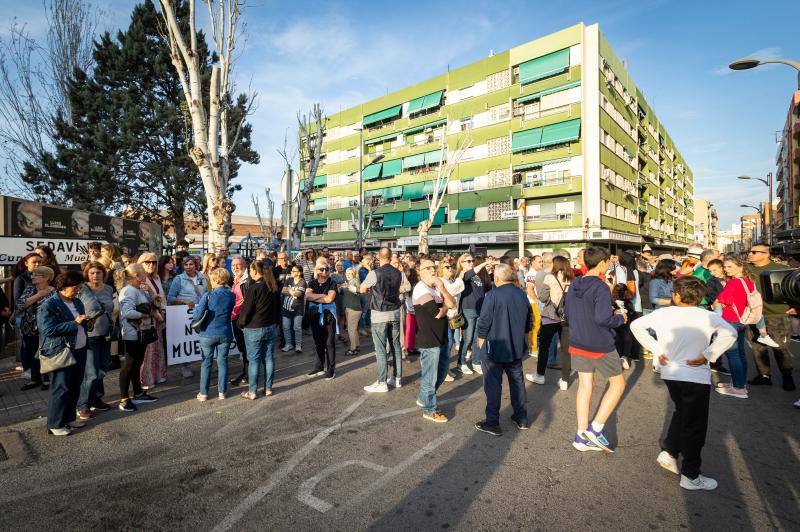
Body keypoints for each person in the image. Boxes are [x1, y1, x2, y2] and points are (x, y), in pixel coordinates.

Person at [630, 276, 737, 491]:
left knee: (682, 412)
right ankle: (691, 474)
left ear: (676, 295)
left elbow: (636, 326)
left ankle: (670, 452)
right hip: (695, 376)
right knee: (694, 426)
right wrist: (708, 354)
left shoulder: (663, 313)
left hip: (670, 373)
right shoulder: (707, 316)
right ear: (700, 297)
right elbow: (731, 333)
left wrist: (657, 350)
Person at [564, 247, 626, 453]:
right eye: (607, 261)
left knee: (585, 386)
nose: (609, 264)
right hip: (599, 343)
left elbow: (569, 313)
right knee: (618, 384)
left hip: (577, 340)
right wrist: (620, 318)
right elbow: (603, 319)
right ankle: (596, 429)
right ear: (601, 264)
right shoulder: (600, 286)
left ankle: (581, 434)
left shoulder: (574, 283)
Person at [474, 264, 533, 436]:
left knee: (493, 384)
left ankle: (492, 422)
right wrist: (525, 339)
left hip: (495, 347)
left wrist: (480, 343)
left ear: (497, 278)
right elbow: (529, 320)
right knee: (517, 381)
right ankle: (521, 417)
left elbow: (484, 321)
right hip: (515, 346)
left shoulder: (492, 295)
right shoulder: (521, 294)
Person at [37, 271, 90, 436]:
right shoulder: (49, 304)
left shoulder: (78, 302)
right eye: (75, 288)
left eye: (80, 288)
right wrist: (74, 323)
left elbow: (81, 323)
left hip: (79, 349)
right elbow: (48, 329)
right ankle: (55, 423)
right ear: (63, 286)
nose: (77, 291)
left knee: (75, 385)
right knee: (60, 387)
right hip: (61, 351)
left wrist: (88, 324)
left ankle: (69, 417)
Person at [746, 243, 795, 390]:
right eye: (750, 251)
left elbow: (794, 287)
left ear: (766, 254)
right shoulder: (746, 270)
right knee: (757, 348)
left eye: (754, 252)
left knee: (781, 348)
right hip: (754, 315)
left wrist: (795, 307)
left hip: (777, 315)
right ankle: (764, 376)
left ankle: (787, 376)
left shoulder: (783, 269)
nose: (750, 254)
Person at [361, 247, 410, 392]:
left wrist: (370, 288)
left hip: (379, 314)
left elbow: (363, 289)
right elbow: (405, 287)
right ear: (390, 257)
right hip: (394, 312)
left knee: (381, 349)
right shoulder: (399, 273)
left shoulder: (374, 273)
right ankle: (397, 378)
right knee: (395, 346)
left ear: (379, 257)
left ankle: (382, 382)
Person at [413, 259, 456, 423]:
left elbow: (453, 303)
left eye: (434, 267)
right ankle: (429, 409)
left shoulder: (437, 287)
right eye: (429, 268)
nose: (433, 270)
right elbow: (437, 313)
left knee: (443, 372)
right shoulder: (420, 289)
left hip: (442, 337)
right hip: (429, 340)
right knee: (430, 377)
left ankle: (424, 397)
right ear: (421, 272)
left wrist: (444, 290)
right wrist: (445, 306)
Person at [117, 263, 160, 412]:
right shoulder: (128, 290)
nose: (145, 276)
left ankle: (138, 393)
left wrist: (150, 293)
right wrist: (145, 314)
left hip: (142, 333)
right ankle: (123, 399)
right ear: (137, 276)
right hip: (132, 334)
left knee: (137, 363)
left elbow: (153, 304)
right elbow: (127, 312)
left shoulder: (138, 289)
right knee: (128, 366)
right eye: (143, 274)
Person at [713, 256, 757, 399]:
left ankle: (738, 388)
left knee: (733, 355)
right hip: (742, 320)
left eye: (730, 267)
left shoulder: (734, 282)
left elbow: (721, 300)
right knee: (740, 354)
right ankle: (738, 383)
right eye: (725, 267)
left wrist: (721, 302)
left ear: (740, 266)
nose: (726, 269)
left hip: (731, 320)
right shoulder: (748, 281)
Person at [76, 262, 115, 419]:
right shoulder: (82, 289)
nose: (95, 276)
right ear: (87, 274)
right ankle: (83, 404)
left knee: (103, 368)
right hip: (88, 336)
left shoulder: (109, 288)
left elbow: (112, 309)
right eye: (92, 273)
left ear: (103, 274)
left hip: (105, 334)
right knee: (91, 373)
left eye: (98, 273)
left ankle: (97, 399)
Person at [526, 256, 572, 388]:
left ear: (555, 264)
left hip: (550, 316)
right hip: (566, 317)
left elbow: (542, 297)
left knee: (544, 347)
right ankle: (564, 380)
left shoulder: (549, 277)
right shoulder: (571, 278)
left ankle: (540, 375)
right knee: (566, 349)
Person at [238, 261, 281, 398]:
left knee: (254, 360)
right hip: (270, 327)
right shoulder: (272, 286)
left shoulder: (254, 288)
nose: (249, 272)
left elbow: (246, 311)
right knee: (268, 358)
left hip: (254, 328)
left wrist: (240, 324)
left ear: (255, 271)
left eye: (250, 270)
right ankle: (268, 388)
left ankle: (252, 392)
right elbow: (278, 308)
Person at [195, 268, 236, 401]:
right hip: (225, 332)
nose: (210, 281)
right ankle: (222, 392)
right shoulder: (232, 295)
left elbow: (197, 314)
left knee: (206, 362)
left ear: (216, 280)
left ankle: (203, 393)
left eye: (212, 279)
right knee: (222, 362)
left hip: (208, 332)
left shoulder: (208, 295)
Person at [167, 255, 208, 378]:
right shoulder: (179, 279)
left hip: (201, 312)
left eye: (191, 264)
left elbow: (208, 293)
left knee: (202, 338)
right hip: (186, 315)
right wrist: (185, 302)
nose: (188, 267)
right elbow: (170, 298)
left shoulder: (204, 277)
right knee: (187, 340)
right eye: (186, 265)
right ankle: (185, 365)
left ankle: (205, 362)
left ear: (196, 265)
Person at [17, 266, 55, 391]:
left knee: (46, 353)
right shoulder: (30, 288)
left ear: (47, 278)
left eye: (36, 275)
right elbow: (20, 305)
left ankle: (47, 379)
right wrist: (39, 295)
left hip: (46, 328)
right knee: (32, 353)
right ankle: (35, 378)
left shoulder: (54, 291)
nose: (32, 277)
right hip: (29, 327)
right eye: (32, 274)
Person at [138, 252, 167, 389]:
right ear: (141, 264)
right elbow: (142, 302)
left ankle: (158, 375)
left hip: (159, 319)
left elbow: (161, 298)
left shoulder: (156, 278)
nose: (151, 265)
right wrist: (155, 313)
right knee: (147, 351)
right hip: (146, 320)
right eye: (147, 262)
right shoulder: (140, 280)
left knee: (158, 347)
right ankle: (146, 380)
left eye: (154, 262)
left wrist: (163, 311)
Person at [306, 258, 338, 380]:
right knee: (318, 342)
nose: (325, 271)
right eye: (322, 269)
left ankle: (331, 369)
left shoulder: (332, 282)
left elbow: (330, 299)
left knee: (329, 343)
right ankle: (319, 366)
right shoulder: (312, 282)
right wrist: (322, 296)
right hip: (315, 315)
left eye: (327, 269)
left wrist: (315, 298)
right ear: (317, 270)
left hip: (329, 316)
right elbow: (307, 296)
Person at [456, 253, 489, 375]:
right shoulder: (462, 275)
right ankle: (461, 362)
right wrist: (485, 263)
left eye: (472, 260)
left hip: (479, 309)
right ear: (462, 263)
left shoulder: (475, 275)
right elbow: (470, 273)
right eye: (468, 261)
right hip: (468, 310)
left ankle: (476, 362)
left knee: (476, 339)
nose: (471, 262)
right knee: (467, 339)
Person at [613, 251, 642, 369]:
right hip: (637, 305)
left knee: (623, 333)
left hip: (625, 305)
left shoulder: (621, 269)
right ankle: (634, 355)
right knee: (634, 332)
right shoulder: (635, 270)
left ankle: (623, 355)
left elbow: (620, 286)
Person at [439, 259, 464, 379]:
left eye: (451, 267)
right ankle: (443, 371)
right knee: (447, 344)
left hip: (454, 315)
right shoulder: (441, 281)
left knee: (450, 344)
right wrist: (461, 276)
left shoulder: (452, 280)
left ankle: (445, 369)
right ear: (441, 270)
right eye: (447, 267)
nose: (450, 269)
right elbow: (453, 290)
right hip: (446, 316)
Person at [229, 257, 251, 385]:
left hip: (243, 320)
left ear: (244, 265)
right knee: (242, 349)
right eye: (233, 265)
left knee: (247, 349)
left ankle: (248, 375)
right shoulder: (236, 280)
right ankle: (245, 372)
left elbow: (249, 303)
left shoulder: (247, 281)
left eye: (238, 265)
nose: (235, 268)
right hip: (235, 318)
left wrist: (244, 320)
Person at [280, 264, 306, 353]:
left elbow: (298, 294)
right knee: (285, 327)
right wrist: (293, 292)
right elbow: (283, 291)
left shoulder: (303, 282)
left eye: (294, 271)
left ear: (299, 273)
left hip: (298, 309)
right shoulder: (288, 280)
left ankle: (298, 345)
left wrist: (290, 291)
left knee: (297, 327)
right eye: (291, 271)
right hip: (286, 308)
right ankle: (288, 344)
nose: (291, 272)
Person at [341, 266, 362, 356]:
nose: (348, 275)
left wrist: (348, 286)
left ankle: (353, 349)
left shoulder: (355, 280)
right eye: (347, 273)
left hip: (354, 309)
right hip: (349, 308)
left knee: (351, 329)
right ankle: (356, 346)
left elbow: (358, 291)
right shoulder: (348, 282)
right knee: (353, 329)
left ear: (353, 274)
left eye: (350, 273)